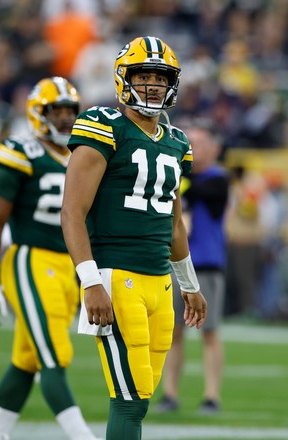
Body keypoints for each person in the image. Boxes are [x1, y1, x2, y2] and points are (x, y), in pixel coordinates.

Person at [61, 36, 207, 440]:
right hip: (115, 275)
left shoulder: (178, 142)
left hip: (160, 282)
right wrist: (90, 281)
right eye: (143, 76)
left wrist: (189, 284)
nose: (153, 85)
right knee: (127, 399)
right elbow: (72, 211)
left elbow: (174, 223)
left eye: (160, 78)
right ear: (124, 79)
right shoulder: (105, 126)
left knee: (140, 396)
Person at [0, 76, 101, 440]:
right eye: (56, 112)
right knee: (55, 354)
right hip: (30, 260)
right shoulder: (20, 151)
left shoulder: (80, 155)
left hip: (66, 266)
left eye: (69, 112)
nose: (64, 119)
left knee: (26, 359)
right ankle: (82, 436)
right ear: (39, 113)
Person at [154, 118, 229, 415]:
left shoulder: (215, 178)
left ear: (214, 148)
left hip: (206, 264)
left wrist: (173, 168)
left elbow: (200, 193)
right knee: (172, 331)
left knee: (209, 332)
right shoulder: (179, 176)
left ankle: (212, 395)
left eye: (199, 143)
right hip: (174, 264)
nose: (193, 149)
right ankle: (170, 393)